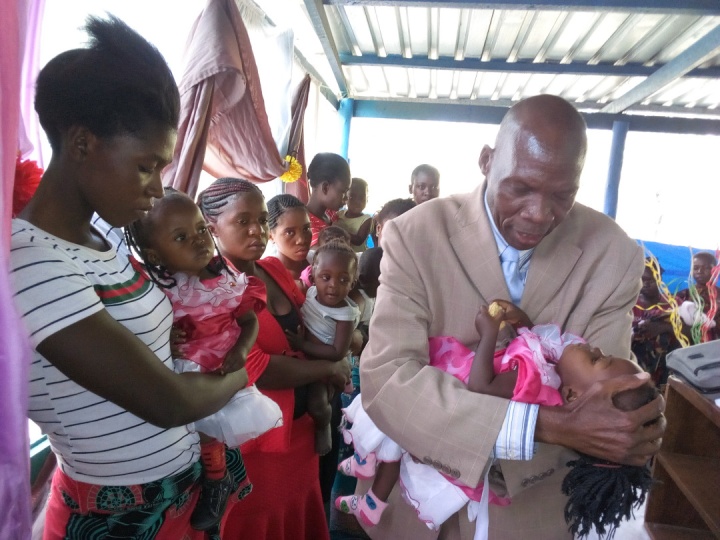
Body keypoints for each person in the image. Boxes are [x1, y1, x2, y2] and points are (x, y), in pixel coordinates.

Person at [358, 94, 666, 539]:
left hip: (536, 516)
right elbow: (388, 381)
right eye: (519, 188)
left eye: (562, 195)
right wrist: (544, 425)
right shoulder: (415, 235)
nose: (539, 214)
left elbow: (605, 403)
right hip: (419, 517)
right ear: (486, 161)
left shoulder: (613, 254)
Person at [11, 16, 252, 539]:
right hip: (117, 518)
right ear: (81, 145)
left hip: (177, 495)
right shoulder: (28, 264)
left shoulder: (105, 242)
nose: (156, 189)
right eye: (146, 166)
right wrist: (241, 373)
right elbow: (166, 401)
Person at [337, 301, 655, 540]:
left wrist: (488, 334)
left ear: (571, 395)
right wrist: (522, 324)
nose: (595, 348)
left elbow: (481, 387)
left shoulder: (538, 384)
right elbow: (533, 346)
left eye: (596, 359)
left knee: (389, 419)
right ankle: (366, 463)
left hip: (457, 386)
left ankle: (365, 463)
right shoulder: (552, 372)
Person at [197, 177, 350, 540]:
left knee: (301, 515)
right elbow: (257, 369)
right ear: (211, 227)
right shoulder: (211, 291)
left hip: (304, 433)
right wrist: (329, 366)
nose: (255, 230)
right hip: (262, 443)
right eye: (242, 221)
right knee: (263, 523)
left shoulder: (273, 271)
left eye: (260, 220)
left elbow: (314, 324)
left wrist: (349, 333)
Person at [125, 190, 285, 530]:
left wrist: (241, 352)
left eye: (200, 229)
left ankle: (217, 480)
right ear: (154, 252)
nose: (198, 241)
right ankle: (214, 479)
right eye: (181, 237)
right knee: (192, 430)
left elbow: (249, 320)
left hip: (220, 363)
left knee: (211, 432)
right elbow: (148, 331)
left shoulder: (223, 279)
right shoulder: (153, 289)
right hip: (183, 367)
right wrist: (165, 337)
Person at [286, 240, 361, 455]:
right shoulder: (310, 294)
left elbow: (337, 352)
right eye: (325, 277)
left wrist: (303, 344)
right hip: (305, 360)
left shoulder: (344, 315)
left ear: (352, 284)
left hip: (324, 365)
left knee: (317, 403)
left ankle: (323, 427)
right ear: (312, 276)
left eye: (343, 280)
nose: (333, 286)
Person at [632, 258, 680, 384]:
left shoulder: (672, 304)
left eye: (650, 280)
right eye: (641, 280)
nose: (644, 284)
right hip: (634, 364)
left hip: (665, 367)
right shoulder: (629, 303)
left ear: (659, 278)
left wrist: (664, 327)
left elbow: (689, 332)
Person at [306, 152, 352, 246]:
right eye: (343, 192)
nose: (346, 198)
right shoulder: (307, 225)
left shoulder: (330, 213)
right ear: (325, 188)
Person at [267, 193, 313, 286]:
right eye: (289, 232)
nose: (301, 240)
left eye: (306, 229)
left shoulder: (318, 260)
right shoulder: (268, 277)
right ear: (270, 236)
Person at [676, 251, 720, 343]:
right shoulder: (682, 296)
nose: (700, 272)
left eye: (707, 268)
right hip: (691, 347)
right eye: (695, 268)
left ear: (715, 270)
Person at [337, 177, 373, 252]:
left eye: (361, 197)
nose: (357, 202)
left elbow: (359, 241)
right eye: (352, 197)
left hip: (357, 258)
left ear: (367, 199)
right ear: (345, 198)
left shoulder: (366, 219)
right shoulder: (339, 214)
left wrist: (338, 231)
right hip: (340, 255)